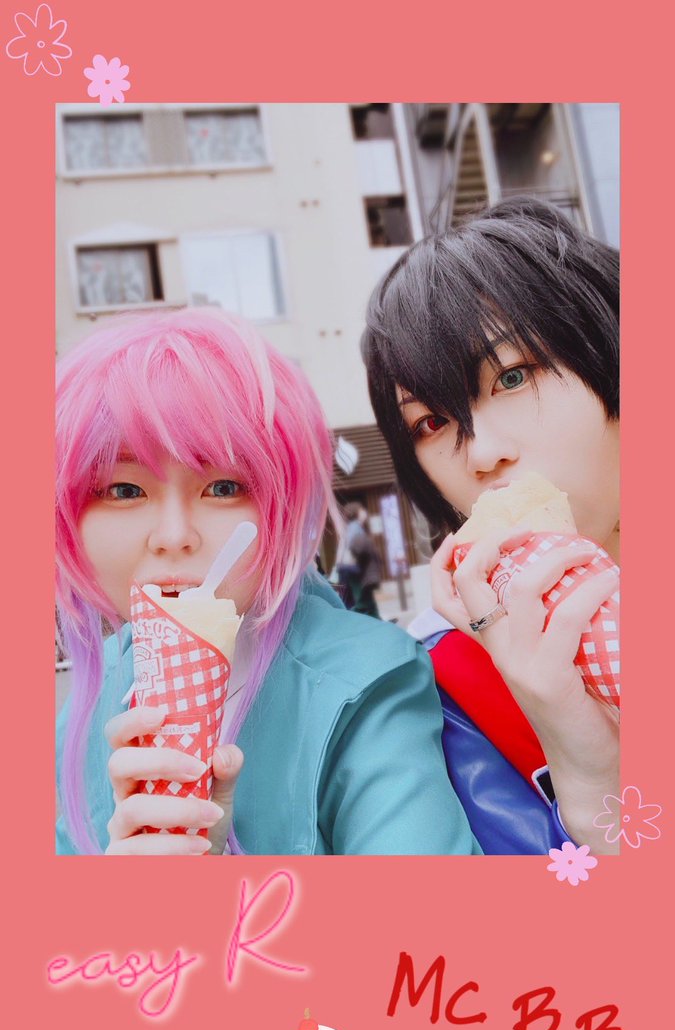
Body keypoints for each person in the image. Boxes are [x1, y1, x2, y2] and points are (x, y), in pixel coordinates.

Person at [56, 307, 481, 856]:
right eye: (123, 490)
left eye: (223, 487)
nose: (173, 536)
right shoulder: (94, 696)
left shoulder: (368, 679)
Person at [362, 198, 619, 855]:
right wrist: (592, 783)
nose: (480, 454)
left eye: (512, 376)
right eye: (431, 422)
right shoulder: (446, 688)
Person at [343, 501, 382, 618]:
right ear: (357, 513)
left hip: (359, 571)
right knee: (363, 602)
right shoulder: (355, 528)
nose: (365, 512)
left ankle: (378, 620)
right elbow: (358, 549)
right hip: (359, 572)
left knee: (368, 601)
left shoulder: (353, 528)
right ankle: (350, 620)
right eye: (362, 510)